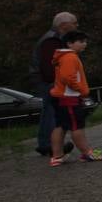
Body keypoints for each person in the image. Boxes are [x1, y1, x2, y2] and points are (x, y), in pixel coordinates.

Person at [48, 30, 102, 166]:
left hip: (59, 96)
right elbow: (68, 77)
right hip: (69, 98)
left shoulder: (63, 56)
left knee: (60, 126)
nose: (84, 44)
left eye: (85, 41)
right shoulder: (70, 57)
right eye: (81, 42)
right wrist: (83, 90)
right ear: (69, 43)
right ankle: (87, 153)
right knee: (76, 126)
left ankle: (56, 156)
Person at [29, 11, 77, 157]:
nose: (76, 25)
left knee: (48, 111)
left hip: (45, 79)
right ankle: (50, 144)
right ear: (63, 25)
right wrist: (58, 82)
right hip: (49, 81)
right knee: (51, 111)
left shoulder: (53, 38)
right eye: (74, 23)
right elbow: (49, 66)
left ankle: (45, 143)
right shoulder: (51, 40)